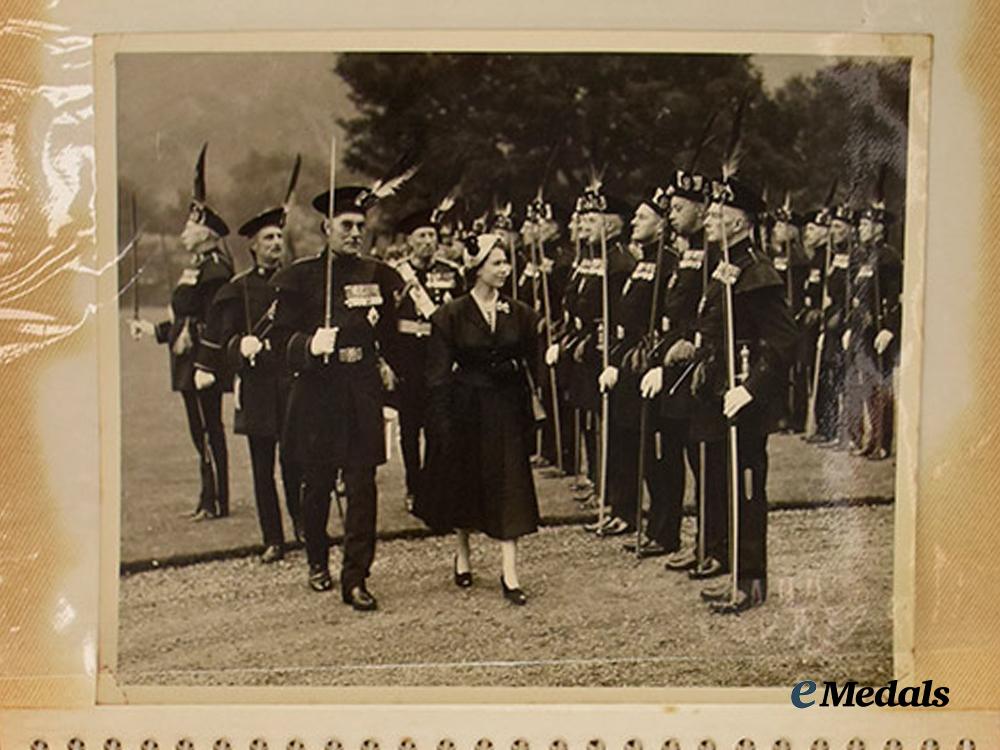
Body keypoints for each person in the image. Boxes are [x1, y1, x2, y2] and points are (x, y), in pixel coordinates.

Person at [268, 184, 405, 612]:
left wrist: (386, 363)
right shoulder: (299, 277)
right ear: (327, 228)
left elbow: (391, 331)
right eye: (346, 225)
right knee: (319, 486)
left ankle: (356, 576)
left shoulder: (377, 274)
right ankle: (316, 561)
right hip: (318, 394)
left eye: (360, 226)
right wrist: (309, 344)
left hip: (361, 390)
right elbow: (276, 340)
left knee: (363, 486)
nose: (354, 233)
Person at [414, 233, 541, 605]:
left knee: (510, 484)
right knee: (465, 482)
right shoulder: (450, 315)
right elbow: (436, 375)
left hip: (505, 407)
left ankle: (510, 572)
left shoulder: (520, 312)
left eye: (506, 262)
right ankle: (463, 554)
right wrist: (440, 422)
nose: (504, 269)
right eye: (496, 263)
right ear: (477, 268)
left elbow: (531, 361)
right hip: (465, 407)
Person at [691, 174, 798, 613]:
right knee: (725, 484)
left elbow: (785, 341)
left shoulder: (756, 271)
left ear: (741, 222)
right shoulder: (723, 265)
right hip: (721, 390)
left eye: (719, 214)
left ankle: (751, 581)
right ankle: (736, 571)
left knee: (748, 489)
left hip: (744, 398)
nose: (709, 219)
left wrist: (751, 389)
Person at [196, 160, 303, 563]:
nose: (277, 244)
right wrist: (240, 345)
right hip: (258, 388)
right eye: (269, 238)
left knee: (296, 464)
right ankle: (273, 538)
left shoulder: (297, 281)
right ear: (253, 246)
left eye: (279, 236)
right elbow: (220, 341)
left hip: (292, 385)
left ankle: (303, 529)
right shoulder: (235, 290)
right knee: (262, 470)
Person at [130, 144, 233, 521]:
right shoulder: (197, 266)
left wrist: (204, 356)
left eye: (190, 227)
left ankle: (216, 500)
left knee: (208, 430)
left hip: (201, 361)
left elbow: (213, 320)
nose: (183, 232)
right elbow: (184, 316)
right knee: (199, 430)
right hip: (186, 358)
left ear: (205, 234)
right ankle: (208, 497)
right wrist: (155, 329)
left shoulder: (215, 270)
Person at [639, 168, 714, 571]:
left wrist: (680, 349)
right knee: (668, 450)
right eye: (670, 209)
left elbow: (704, 316)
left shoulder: (709, 254)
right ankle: (666, 531)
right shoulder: (684, 252)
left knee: (698, 457)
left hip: (688, 368)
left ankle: (706, 542)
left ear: (702, 211)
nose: (672, 216)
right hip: (668, 361)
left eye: (680, 209)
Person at [391, 206, 466, 511]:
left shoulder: (450, 272)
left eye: (431, 236)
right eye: (421, 236)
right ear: (409, 241)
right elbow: (387, 322)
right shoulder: (395, 275)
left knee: (439, 428)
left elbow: (461, 316)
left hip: (440, 358)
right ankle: (413, 486)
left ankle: (434, 488)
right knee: (410, 430)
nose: (427, 242)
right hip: (408, 358)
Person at [844, 183, 902, 460]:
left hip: (880, 330)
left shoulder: (888, 257)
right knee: (866, 386)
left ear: (879, 227)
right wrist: (849, 327)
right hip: (863, 330)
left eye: (866, 224)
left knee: (881, 387)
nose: (861, 229)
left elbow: (897, 295)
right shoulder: (862, 257)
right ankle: (870, 439)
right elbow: (857, 296)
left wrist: (890, 327)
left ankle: (881, 442)